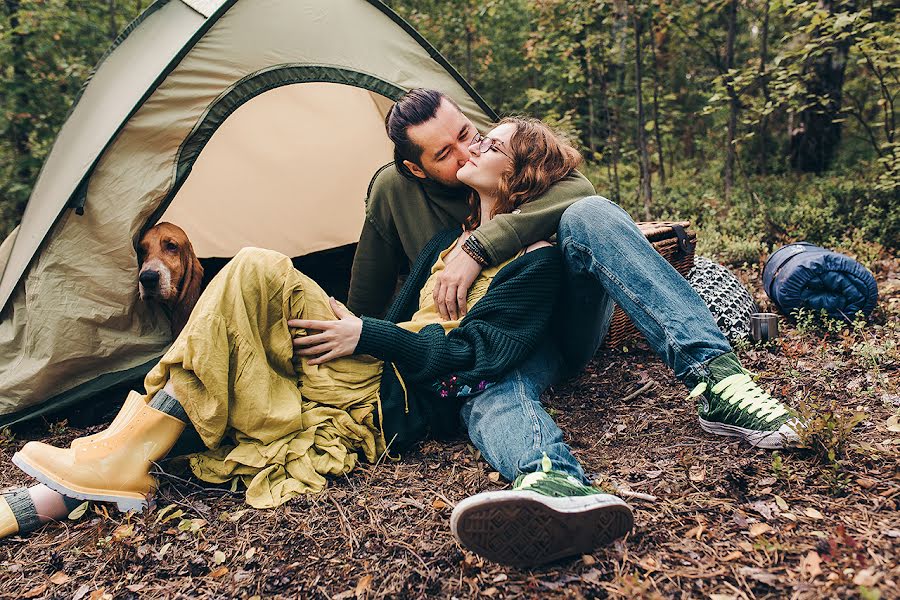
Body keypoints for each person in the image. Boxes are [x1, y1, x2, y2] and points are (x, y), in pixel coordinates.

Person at [3, 117, 635, 568]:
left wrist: (368, 333)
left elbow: (470, 359)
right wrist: (349, 315)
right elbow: (392, 312)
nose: (471, 144)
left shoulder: (536, 262)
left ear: (519, 172)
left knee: (252, 267)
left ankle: (107, 460)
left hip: (394, 392)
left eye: (487, 143)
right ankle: (60, 491)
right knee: (241, 324)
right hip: (365, 356)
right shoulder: (448, 247)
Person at [348, 89, 800, 560]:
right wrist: (367, 342)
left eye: (467, 134)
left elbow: (579, 190)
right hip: (486, 344)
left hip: (561, 321)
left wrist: (481, 245)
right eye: (445, 153)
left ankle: (716, 379)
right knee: (488, 380)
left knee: (590, 213)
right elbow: (372, 288)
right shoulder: (398, 194)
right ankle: (550, 480)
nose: (467, 151)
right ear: (415, 169)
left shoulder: (508, 155)